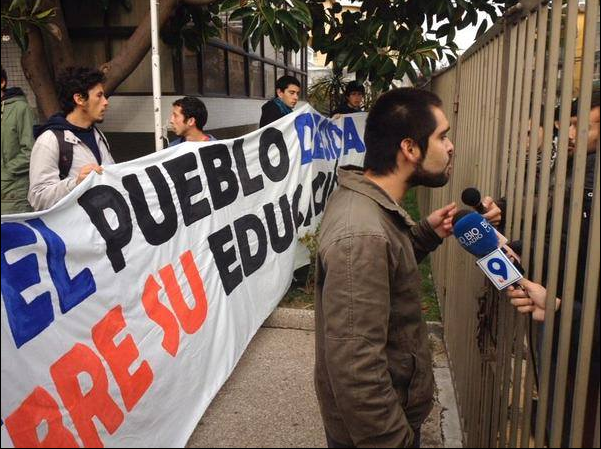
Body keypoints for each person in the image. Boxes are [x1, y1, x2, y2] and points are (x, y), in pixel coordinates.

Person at [314, 88, 458, 448]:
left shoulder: (367, 205)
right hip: (377, 433)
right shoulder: (362, 234)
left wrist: (426, 233)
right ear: (410, 149)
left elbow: (383, 275)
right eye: (442, 136)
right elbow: (356, 368)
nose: (451, 146)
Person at [28, 67, 113, 211]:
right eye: (99, 96)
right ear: (79, 99)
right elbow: (38, 198)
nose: (106, 102)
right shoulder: (49, 140)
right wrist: (75, 183)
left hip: (102, 227)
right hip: (71, 231)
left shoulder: (97, 134)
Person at [1, 66, 37, 214]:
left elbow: (31, 151)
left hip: (14, 194)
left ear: (2, 82)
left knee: (17, 235)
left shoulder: (20, 109)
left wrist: (5, 173)